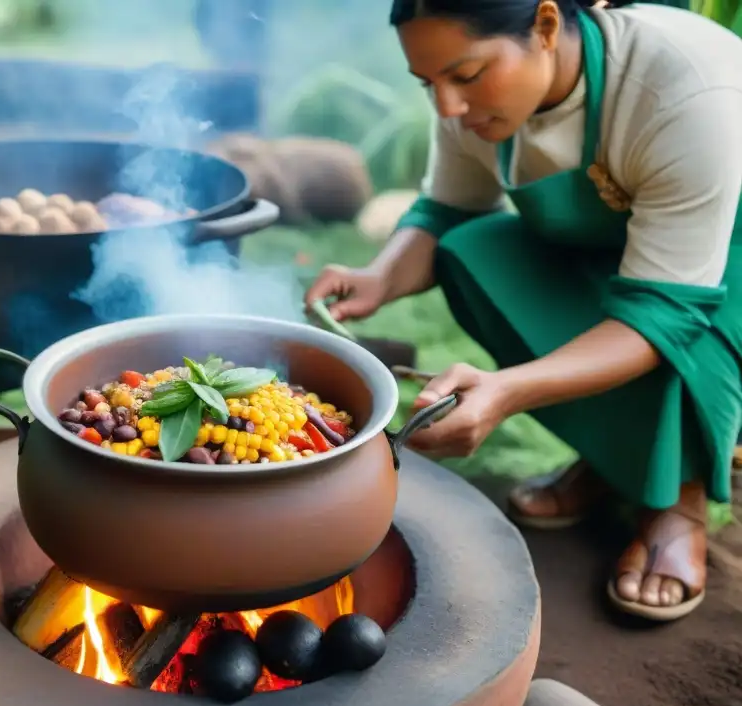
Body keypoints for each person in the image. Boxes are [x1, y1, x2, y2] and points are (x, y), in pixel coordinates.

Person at [306, 0, 742, 622]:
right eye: (429, 84)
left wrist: (507, 391)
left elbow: (666, 310)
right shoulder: (462, 99)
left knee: (678, 340)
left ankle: (678, 504)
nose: (448, 109)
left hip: (724, 257)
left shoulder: (680, 92)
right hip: (610, 246)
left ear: (543, 27)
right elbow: (447, 212)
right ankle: (613, 460)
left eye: (467, 75)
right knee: (470, 252)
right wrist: (378, 278)